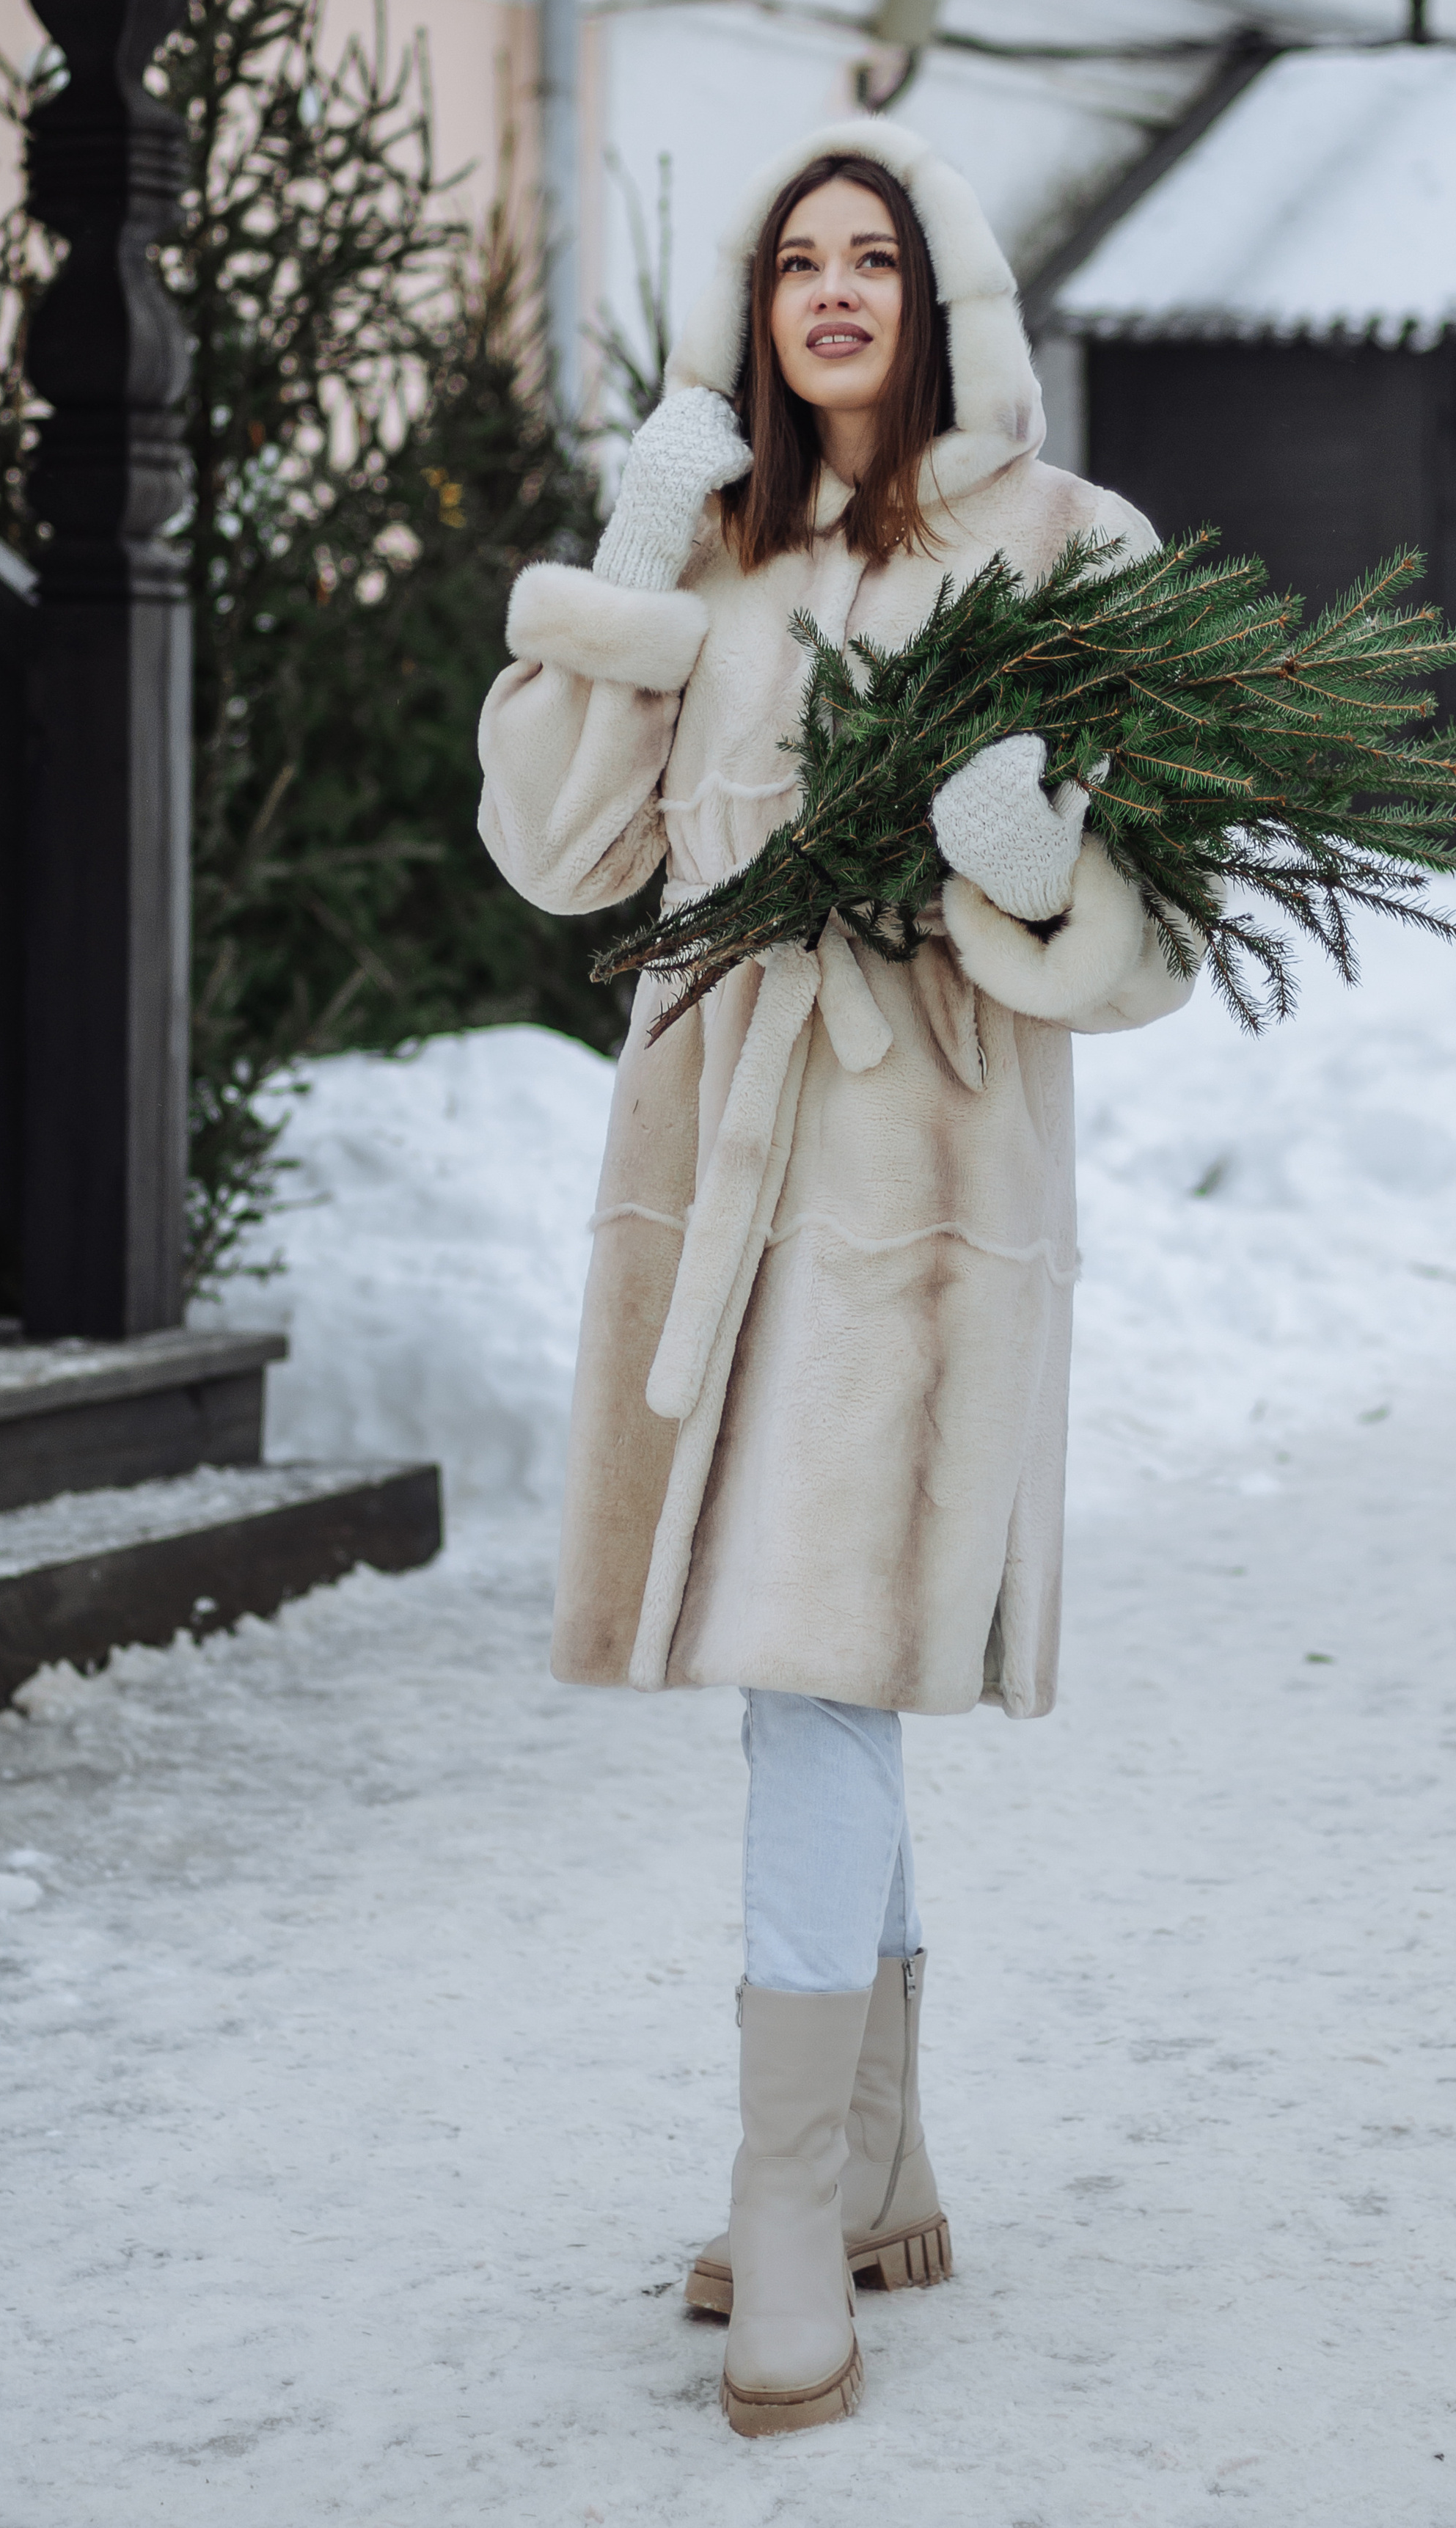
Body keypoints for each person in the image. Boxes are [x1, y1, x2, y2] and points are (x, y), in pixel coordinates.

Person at [477, 121, 1198, 2436]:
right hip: (722, 1165)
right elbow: (557, 849)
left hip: (929, 1186)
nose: (834, 289)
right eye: (797, 259)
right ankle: (872, 2164)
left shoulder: (1067, 545)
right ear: (757, 312)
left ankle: (788, 2210)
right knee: (821, 1671)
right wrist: (625, 567)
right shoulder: (720, 547)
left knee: (812, 1661)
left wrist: (1038, 865)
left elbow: (1158, 930)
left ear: (943, 294)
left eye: (874, 253)